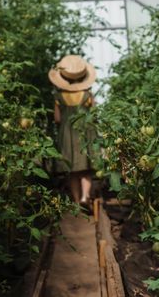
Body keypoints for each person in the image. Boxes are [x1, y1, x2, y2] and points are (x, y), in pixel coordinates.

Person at [48, 55, 97, 206]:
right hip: (85, 132)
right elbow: (94, 115)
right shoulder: (88, 95)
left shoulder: (58, 97)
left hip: (67, 134)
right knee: (86, 169)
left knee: (72, 171)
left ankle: (76, 200)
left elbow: (57, 119)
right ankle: (85, 197)